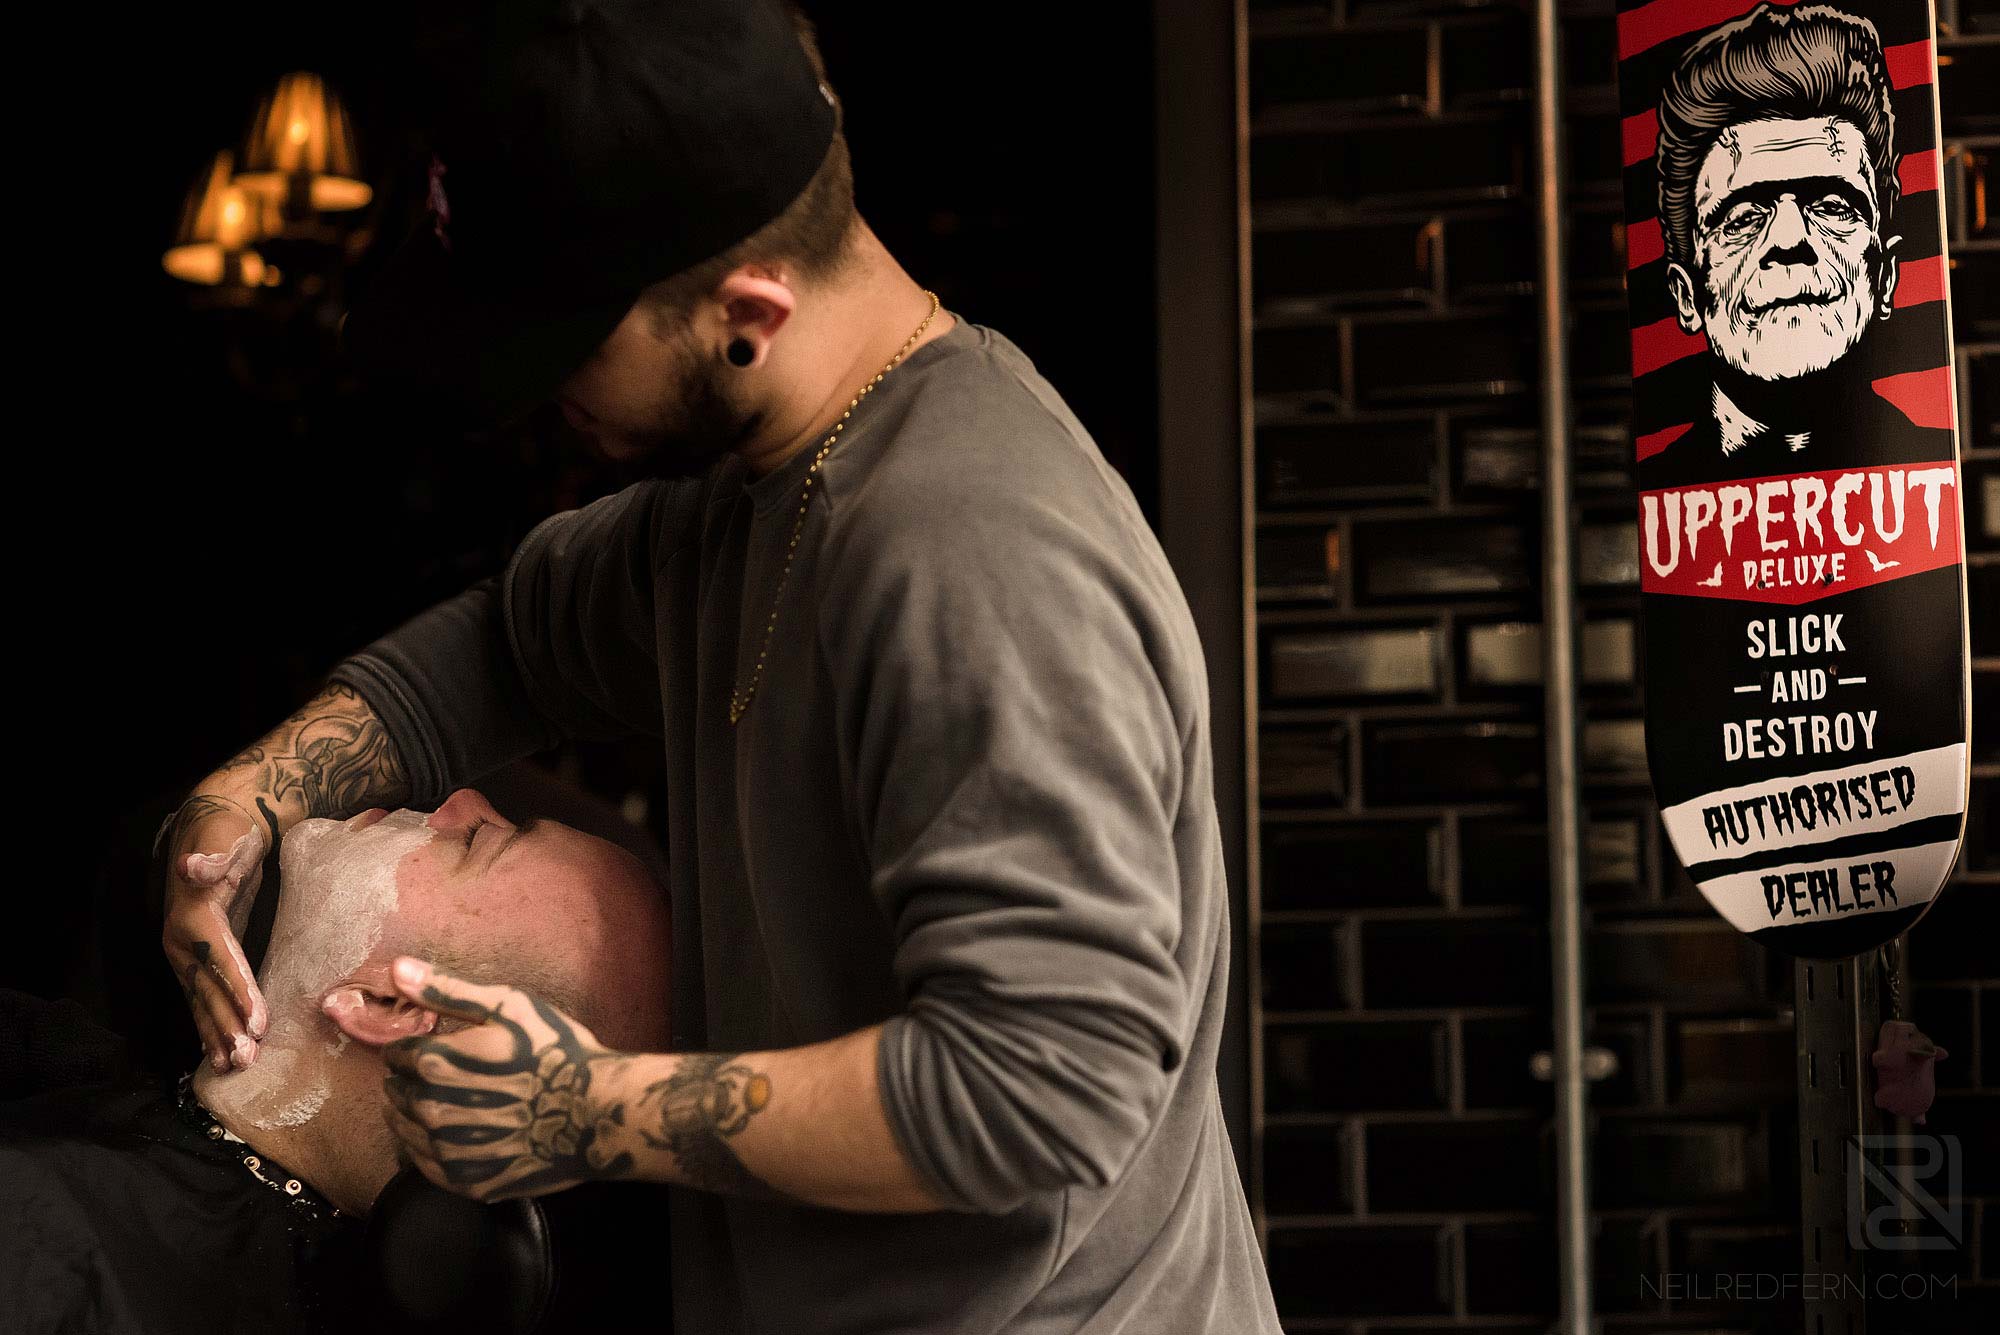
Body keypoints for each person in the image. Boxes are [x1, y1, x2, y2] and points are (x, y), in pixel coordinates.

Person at [158, 3, 1281, 1332]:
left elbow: (1045, 1083)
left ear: (747, 309)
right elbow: (500, 644)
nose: (538, 391)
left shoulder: (968, 554)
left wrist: (586, 1108)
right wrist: (247, 799)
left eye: (568, 339)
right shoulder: (752, 497)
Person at [5, 790, 671, 1334]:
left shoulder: (61, 1265)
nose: (462, 801)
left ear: (385, 1004)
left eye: (479, 840)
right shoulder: (62, 1060)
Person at [1647, 2, 1952, 482]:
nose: (1789, 240)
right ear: (1688, 295)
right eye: (1744, 217)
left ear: (1885, 274)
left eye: (1832, 207)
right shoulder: (1659, 499)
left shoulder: (1938, 487)